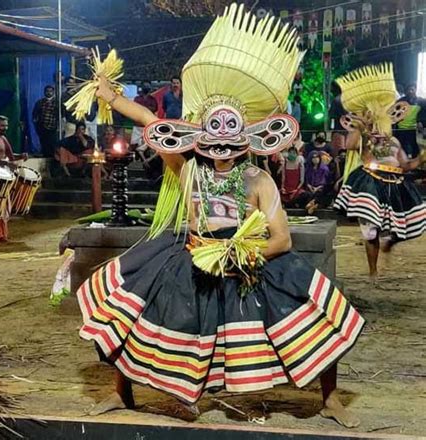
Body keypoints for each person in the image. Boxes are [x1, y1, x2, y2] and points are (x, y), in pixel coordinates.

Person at [77, 5, 364, 428]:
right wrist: (111, 97)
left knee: (317, 311)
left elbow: (281, 239)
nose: (222, 147)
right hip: (191, 256)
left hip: (247, 261)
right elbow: (152, 121)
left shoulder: (258, 180)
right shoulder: (186, 169)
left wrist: (243, 255)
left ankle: (331, 398)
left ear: (248, 139)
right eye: (214, 137)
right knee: (129, 312)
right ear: (200, 137)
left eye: (231, 138)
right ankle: (121, 392)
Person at [334, 65, 426, 280]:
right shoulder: (365, 137)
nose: (379, 129)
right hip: (370, 183)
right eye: (376, 124)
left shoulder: (394, 142)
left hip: (395, 183)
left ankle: (390, 241)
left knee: (410, 223)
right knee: (370, 230)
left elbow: (406, 166)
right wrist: (361, 128)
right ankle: (373, 271)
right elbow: (350, 146)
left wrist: (421, 158)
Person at [396, 83, 426, 159]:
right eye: (408, 90)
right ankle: (404, 162)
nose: (410, 91)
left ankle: (415, 161)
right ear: (406, 91)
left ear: (415, 90)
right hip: (402, 129)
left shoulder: (421, 101)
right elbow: (394, 114)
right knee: (402, 147)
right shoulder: (400, 101)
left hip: (413, 129)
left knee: (414, 146)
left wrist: (420, 121)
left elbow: (423, 112)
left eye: (412, 89)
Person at [32, 85, 58, 158]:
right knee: (44, 142)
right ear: (44, 92)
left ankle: (53, 157)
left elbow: (61, 114)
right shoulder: (40, 102)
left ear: (53, 92)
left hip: (53, 126)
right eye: (47, 91)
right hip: (42, 126)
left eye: (50, 91)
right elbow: (35, 113)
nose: (49, 93)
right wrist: (36, 122)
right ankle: (45, 155)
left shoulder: (57, 102)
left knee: (52, 142)